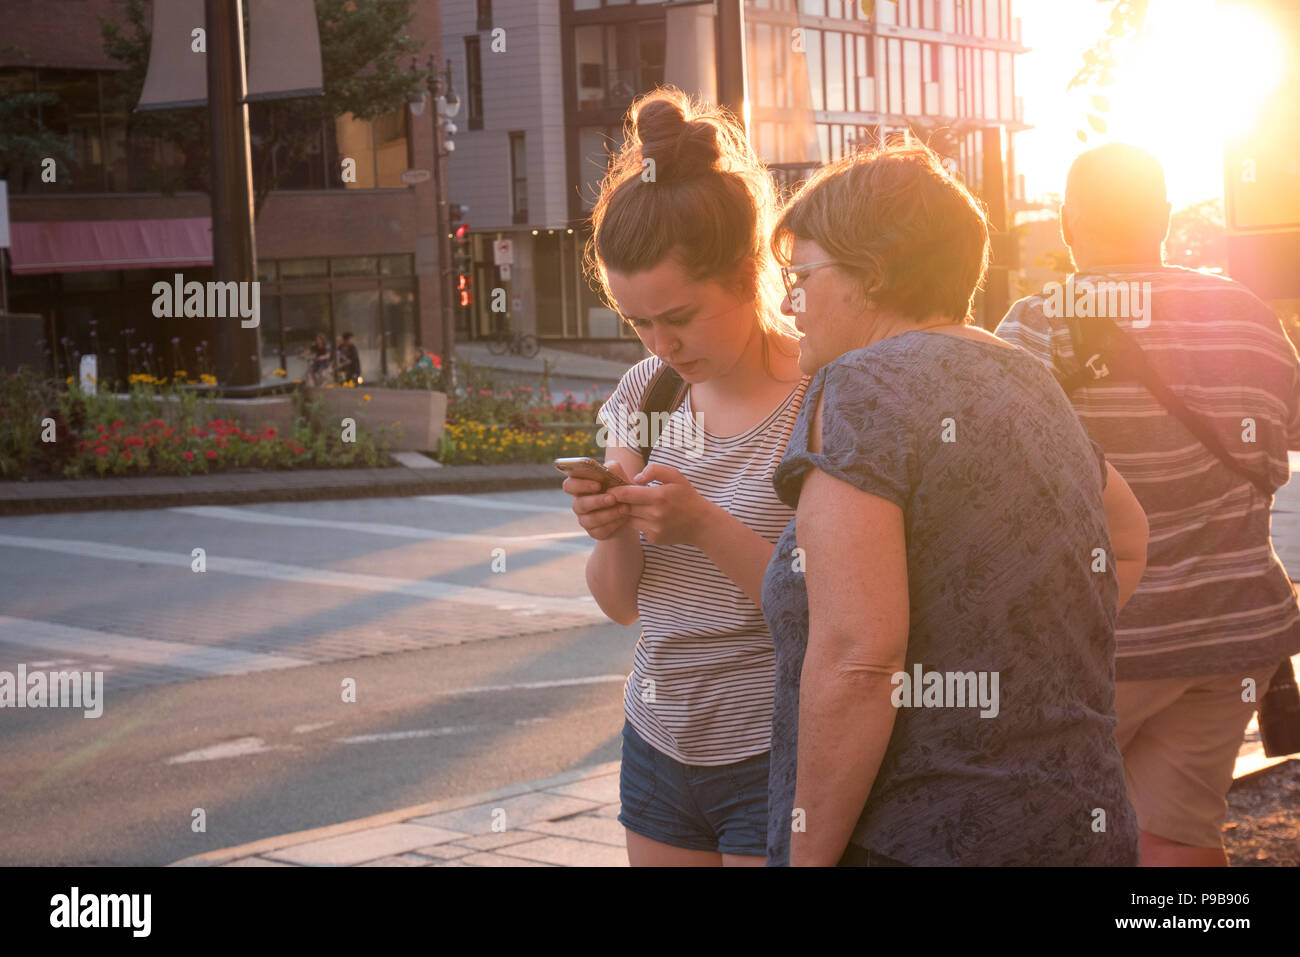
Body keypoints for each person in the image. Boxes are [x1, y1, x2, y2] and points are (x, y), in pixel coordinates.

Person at [760, 140, 1150, 866]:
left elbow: (858, 661)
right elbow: (1129, 536)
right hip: (1079, 821)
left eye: (802, 274)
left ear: (869, 277)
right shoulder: (1027, 377)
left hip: (920, 836)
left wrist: (804, 860)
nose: (788, 301)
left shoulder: (859, 385)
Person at [996, 142, 1300, 867]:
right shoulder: (1246, 314)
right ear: (1161, 216)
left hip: (1095, 644)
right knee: (1177, 839)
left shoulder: (1037, 326)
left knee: (1047, 838)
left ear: (1069, 224)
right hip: (1230, 633)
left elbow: (988, 483)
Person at [562, 87, 809, 866]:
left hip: (773, 749)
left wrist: (703, 522)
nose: (661, 342)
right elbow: (621, 603)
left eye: (680, 316)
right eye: (639, 321)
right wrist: (613, 529)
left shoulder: (823, 395)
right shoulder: (645, 393)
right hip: (659, 741)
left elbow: (833, 612)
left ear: (747, 274)